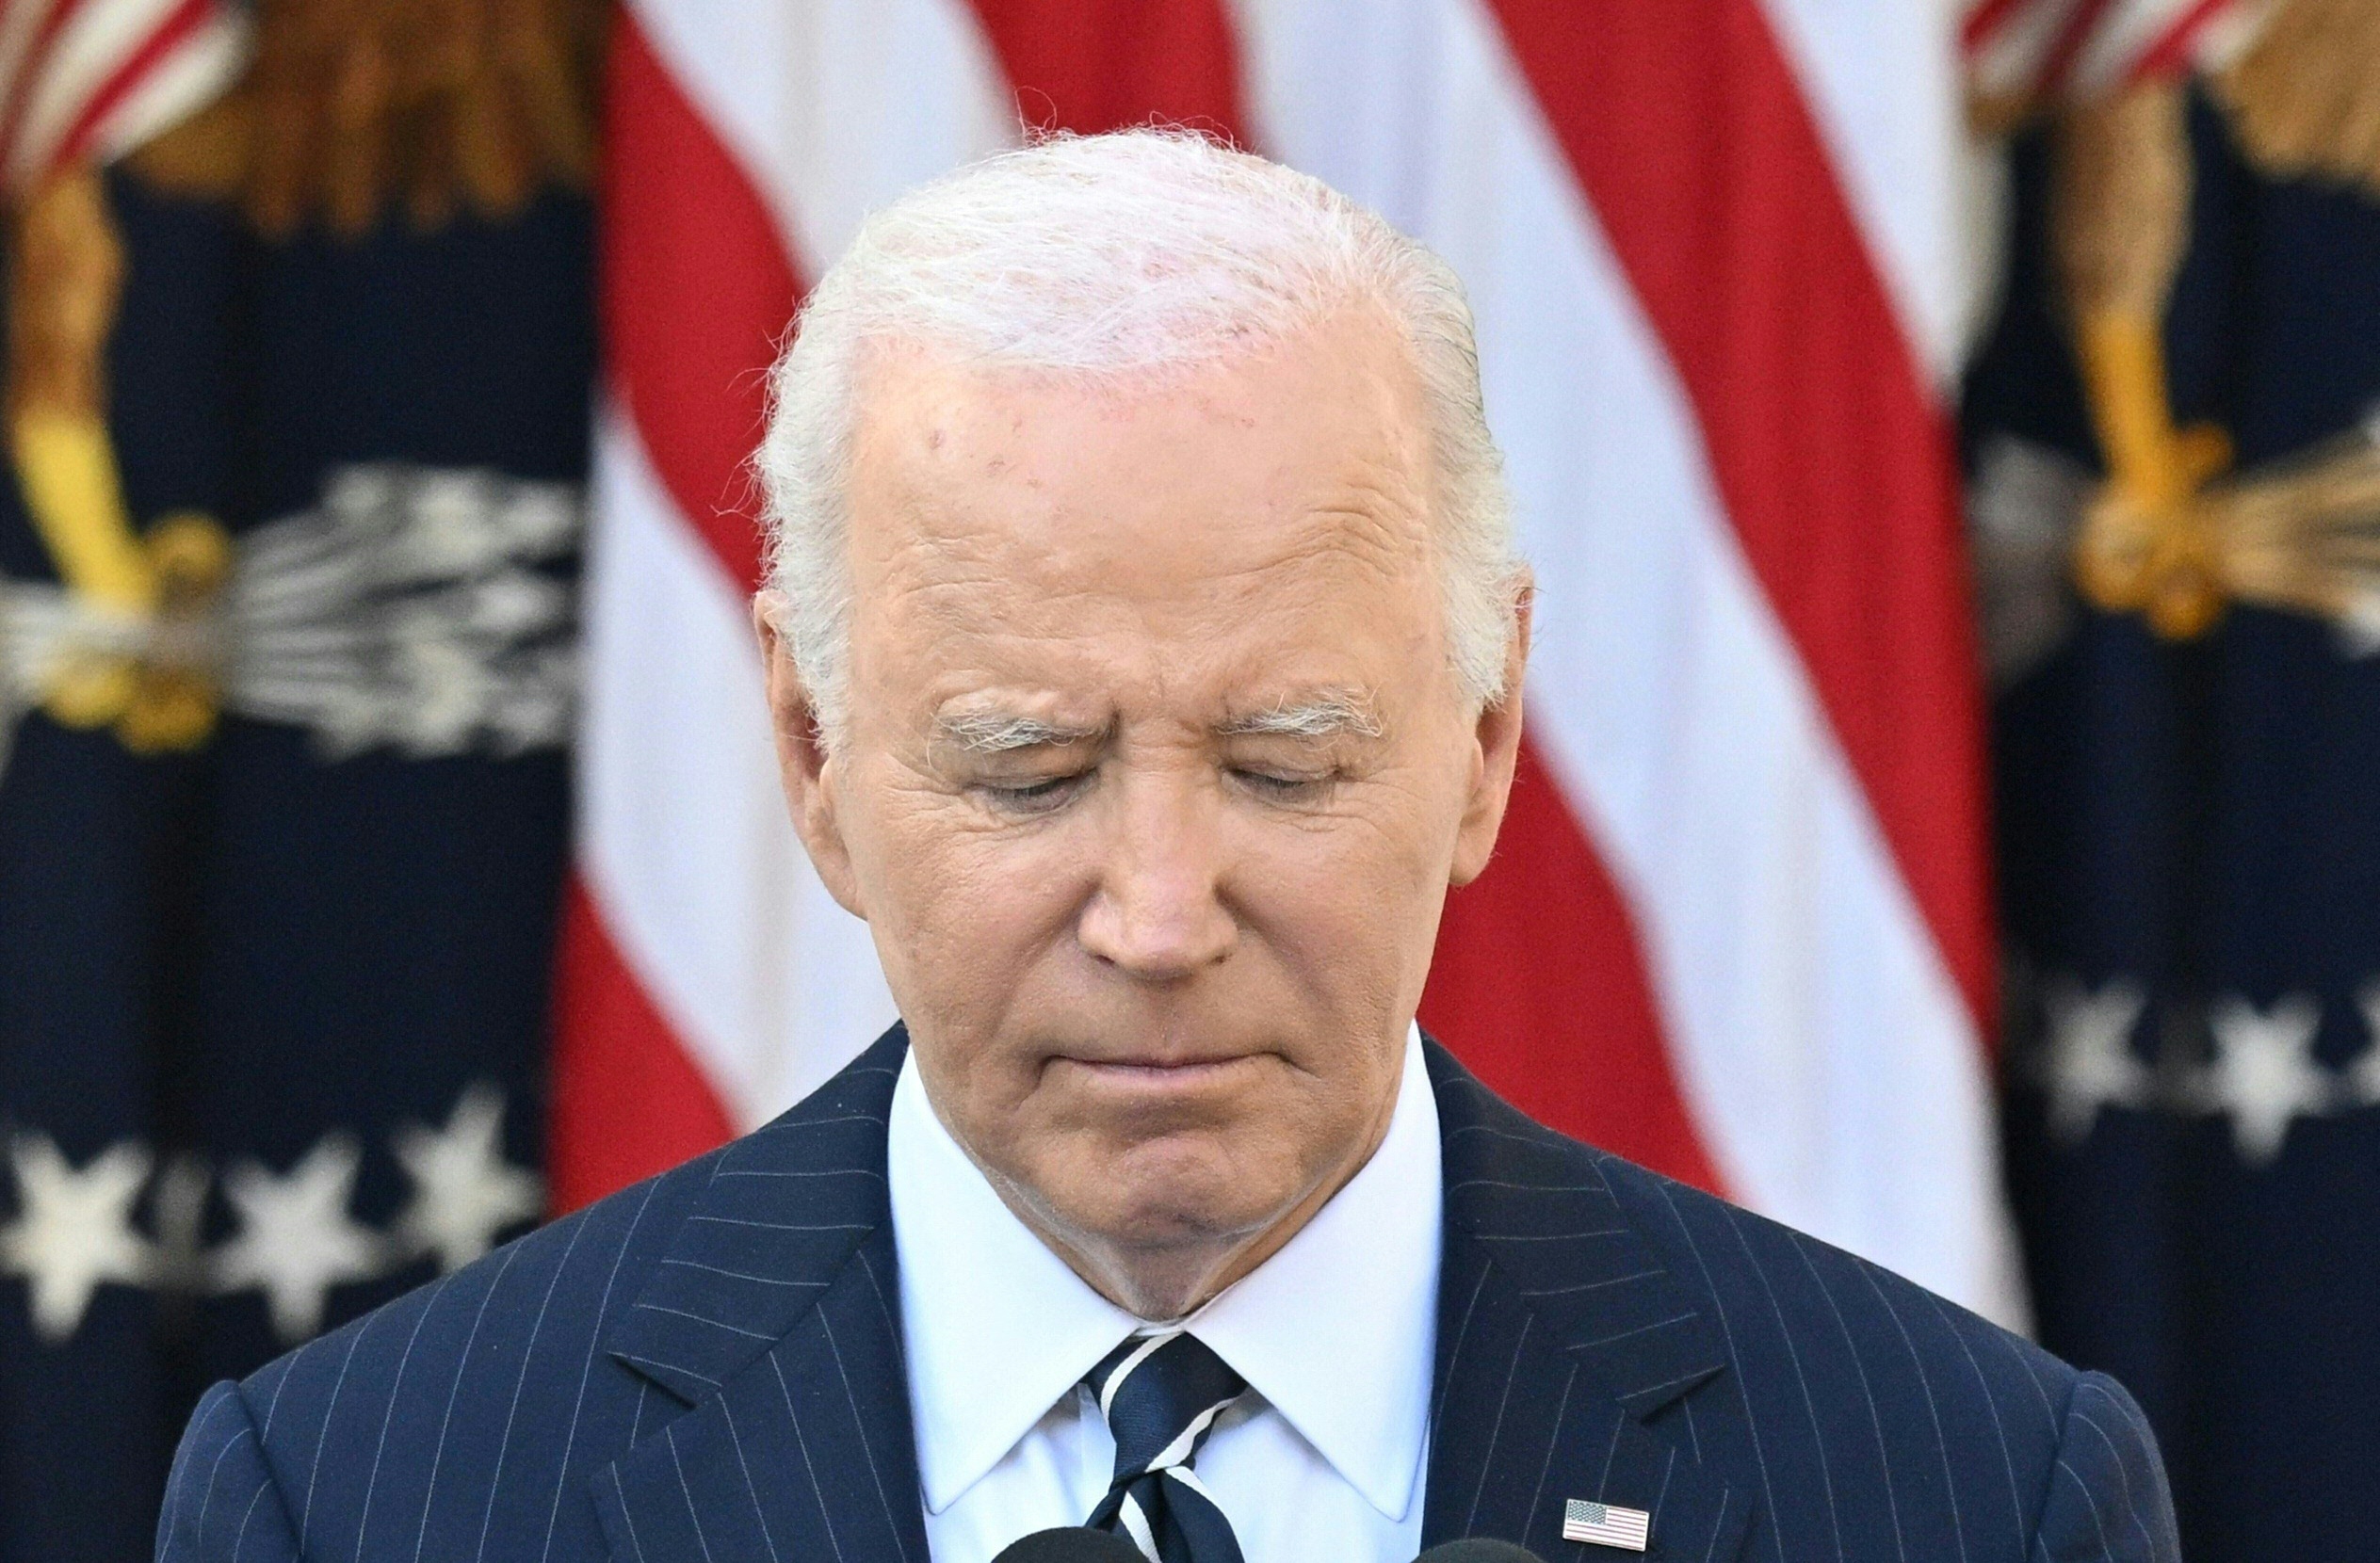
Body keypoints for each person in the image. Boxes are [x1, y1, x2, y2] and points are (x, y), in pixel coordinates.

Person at [156, 130, 2177, 1563]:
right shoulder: (364, 1498)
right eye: (1027, 766)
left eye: (1286, 762)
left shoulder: (1964, 1491)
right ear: (808, 748)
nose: (1155, 910)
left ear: (1480, 740)